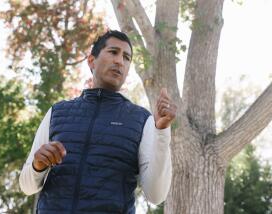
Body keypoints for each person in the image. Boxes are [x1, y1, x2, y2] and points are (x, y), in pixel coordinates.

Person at [19, 30, 176, 213]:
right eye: (113, 52)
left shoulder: (142, 120)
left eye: (126, 57)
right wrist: (38, 165)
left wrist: (162, 131)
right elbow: (26, 186)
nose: (120, 61)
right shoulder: (57, 112)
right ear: (91, 61)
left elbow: (156, 195)